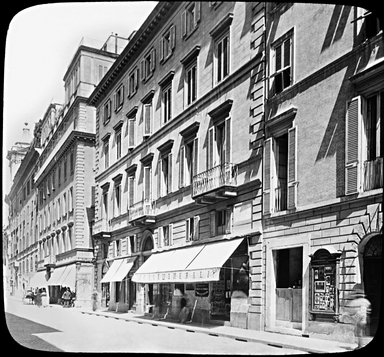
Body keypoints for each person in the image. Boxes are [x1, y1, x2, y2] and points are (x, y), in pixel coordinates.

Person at [346, 284, 371, 349]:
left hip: (358, 320)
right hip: (364, 319)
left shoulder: (355, 302)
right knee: (361, 333)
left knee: (359, 333)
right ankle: (360, 344)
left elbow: (350, 310)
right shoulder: (365, 301)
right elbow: (369, 309)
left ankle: (360, 345)